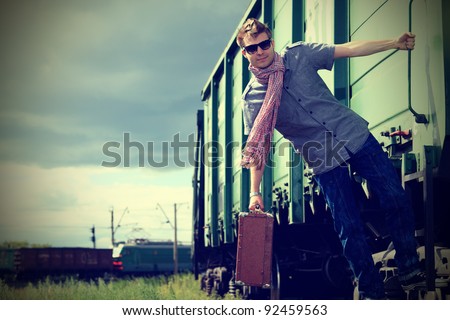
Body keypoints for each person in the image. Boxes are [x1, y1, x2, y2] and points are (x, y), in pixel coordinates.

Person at [237, 18, 438, 300]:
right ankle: (371, 291)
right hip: (322, 157)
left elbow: (348, 48)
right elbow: (259, 148)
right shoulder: (254, 97)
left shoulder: (300, 54)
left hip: (353, 134)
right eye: (253, 48)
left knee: (395, 196)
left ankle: (408, 267)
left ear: (271, 40)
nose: (260, 51)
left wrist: (393, 43)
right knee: (349, 226)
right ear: (244, 52)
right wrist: (254, 193)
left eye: (265, 44)